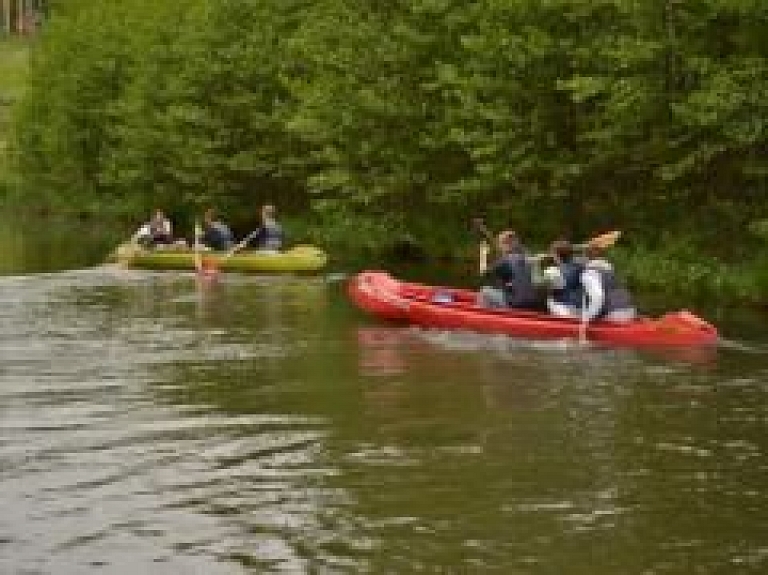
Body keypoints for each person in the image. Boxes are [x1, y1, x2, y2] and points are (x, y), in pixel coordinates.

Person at [477, 230, 540, 310]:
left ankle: (485, 317)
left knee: (485, 291)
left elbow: (483, 273)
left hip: (516, 304)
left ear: (506, 245)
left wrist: (483, 254)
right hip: (533, 303)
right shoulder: (529, 256)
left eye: (500, 244)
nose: (499, 247)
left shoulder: (505, 261)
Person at [580, 244, 636, 322]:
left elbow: (598, 297)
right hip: (631, 311)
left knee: (590, 313)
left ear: (586, 257)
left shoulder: (589, 273)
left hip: (614, 315)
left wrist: (586, 317)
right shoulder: (611, 270)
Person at [541, 240, 587, 318]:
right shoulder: (582, 265)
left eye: (552, 254)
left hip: (565, 309)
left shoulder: (553, 271)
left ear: (556, 255)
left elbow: (544, 288)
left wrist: (536, 265)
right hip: (582, 308)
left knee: (549, 299)